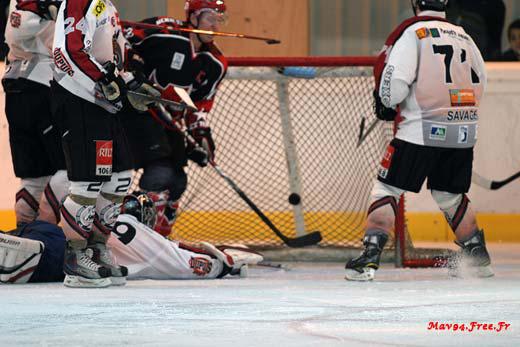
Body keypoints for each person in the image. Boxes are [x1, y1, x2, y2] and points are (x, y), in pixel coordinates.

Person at [345, 0, 492, 281]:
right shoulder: (464, 35)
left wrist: (386, 102)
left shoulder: (413, 33)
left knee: (386, 187)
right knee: (449, 195)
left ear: (415, 3)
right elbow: (481, 81)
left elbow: (393, 85)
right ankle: (477, 257)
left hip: (419, 130)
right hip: (462, 130)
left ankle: (369, 259)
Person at [51, 0, 160, 288]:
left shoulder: (106, 6)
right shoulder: (80, 1)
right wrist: (102, 80)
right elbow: (67, 51)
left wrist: (129, 83)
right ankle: (75, 259)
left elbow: (109, 58)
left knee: (120, 178)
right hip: (80, 100)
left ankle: (97, 247)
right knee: (87, 182)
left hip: (103, 104)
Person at [121, 0, 228, 237]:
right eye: (210, 18)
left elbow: (198, 105)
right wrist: (132, 62)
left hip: (168, 121)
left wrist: (200, 133)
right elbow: (119, 35)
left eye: (220, 20)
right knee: (160, 173)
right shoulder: (164, 31)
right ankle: (138, 233)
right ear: (193, 17)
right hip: (139, 110)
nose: (215, 25)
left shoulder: (216, 63)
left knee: (177, 180)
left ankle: (160, 235)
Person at [0, 192, 263, 283]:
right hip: (56, 256)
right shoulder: (136, 233)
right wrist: (222, 265)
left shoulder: (105, 216)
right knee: (37, 256)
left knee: (29, 240)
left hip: (49, 231)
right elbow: (185, 265)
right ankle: (21, 256)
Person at [2, 0, 69, 228]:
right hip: (44, 88)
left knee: (33, 177)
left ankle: (25, 242)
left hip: (15, 90)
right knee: (72, 167)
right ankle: (44, 235)